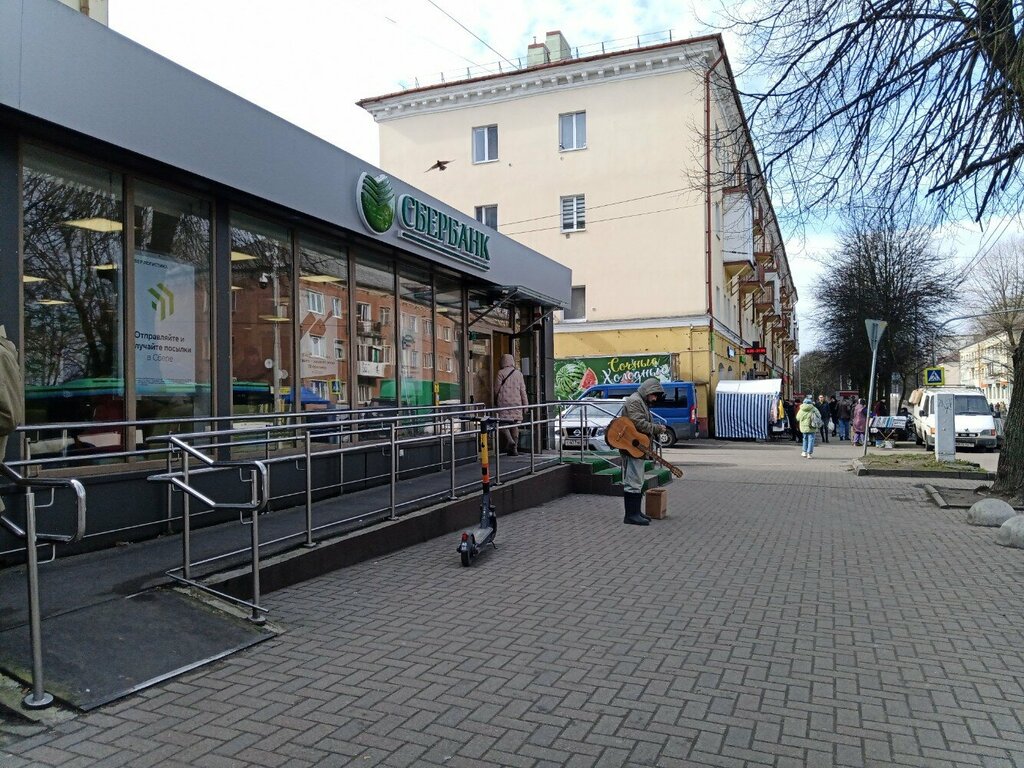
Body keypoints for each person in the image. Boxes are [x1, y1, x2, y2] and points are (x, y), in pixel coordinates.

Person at [619, 378, 668, 526]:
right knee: (633, 480)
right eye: (654, 395)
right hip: (632, 446)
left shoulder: (640, 401)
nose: (655, 399)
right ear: (648, 391)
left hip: (636, 446)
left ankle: (636, 512)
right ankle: (631, 515)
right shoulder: (635, 401)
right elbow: (638, 423)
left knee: (637, 479)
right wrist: (657, 428)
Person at [494, 353, 528, 456]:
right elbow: (523, 391)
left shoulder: (500, 373)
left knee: (502, 424)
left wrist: (495, 398)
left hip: (504, 403)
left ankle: (510, 441)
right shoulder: (519, 374)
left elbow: (496, 389)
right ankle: (515, 449)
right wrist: (525, 405)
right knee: (515, 425)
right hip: (516, 404)